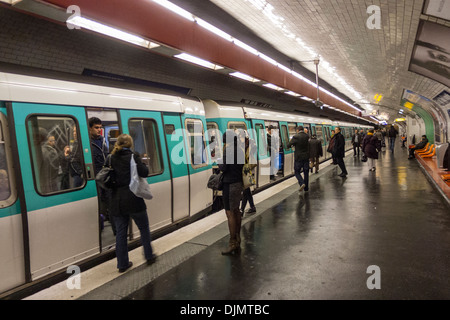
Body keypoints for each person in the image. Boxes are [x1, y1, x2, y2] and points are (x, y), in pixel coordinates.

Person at [109, 134, 156, 273]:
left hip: (116, 201)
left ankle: (122, 264)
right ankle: (149, 255)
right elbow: (144, 173)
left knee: (121, 233)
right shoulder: (133, 156)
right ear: (130, 144)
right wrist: (143, 164)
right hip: (133, 199)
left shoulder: (110, 157)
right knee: (144, 228)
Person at [218, 129, 244, 255]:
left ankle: (232, 242)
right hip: (239, 183)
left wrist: (219, 160)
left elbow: (223, 168)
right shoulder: (240, 150)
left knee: (229, 213)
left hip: (229, 184)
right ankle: (238, 237)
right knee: (236, 210)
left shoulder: (228, 151)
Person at [89, 117, 112, 232]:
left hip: (105, 177)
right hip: (95, 179)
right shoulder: (87, 142)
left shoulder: (103, 141)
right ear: (89, 129)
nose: (99, 130)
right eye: (96, 127)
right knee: (97, 204)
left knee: (109, 201)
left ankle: (115, 230)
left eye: (100, 127)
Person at [239, 130, 257, 216]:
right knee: (247, 190)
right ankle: (252, 207)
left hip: (249, 170)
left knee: (246, 190)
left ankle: (241, 210)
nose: (240, 139)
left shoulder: (251, 146)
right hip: (245, 170)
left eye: (241, 137)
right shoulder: (244, 146)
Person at [287, 126, 310, 192]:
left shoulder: (296, 137)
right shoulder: (307, 136)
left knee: (297, 171)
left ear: (297, 130)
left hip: (298, 157)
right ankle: (306, 188)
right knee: (306, 172)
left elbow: (288, 145)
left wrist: (293, 145)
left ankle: (302, 183)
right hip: (306, 157)